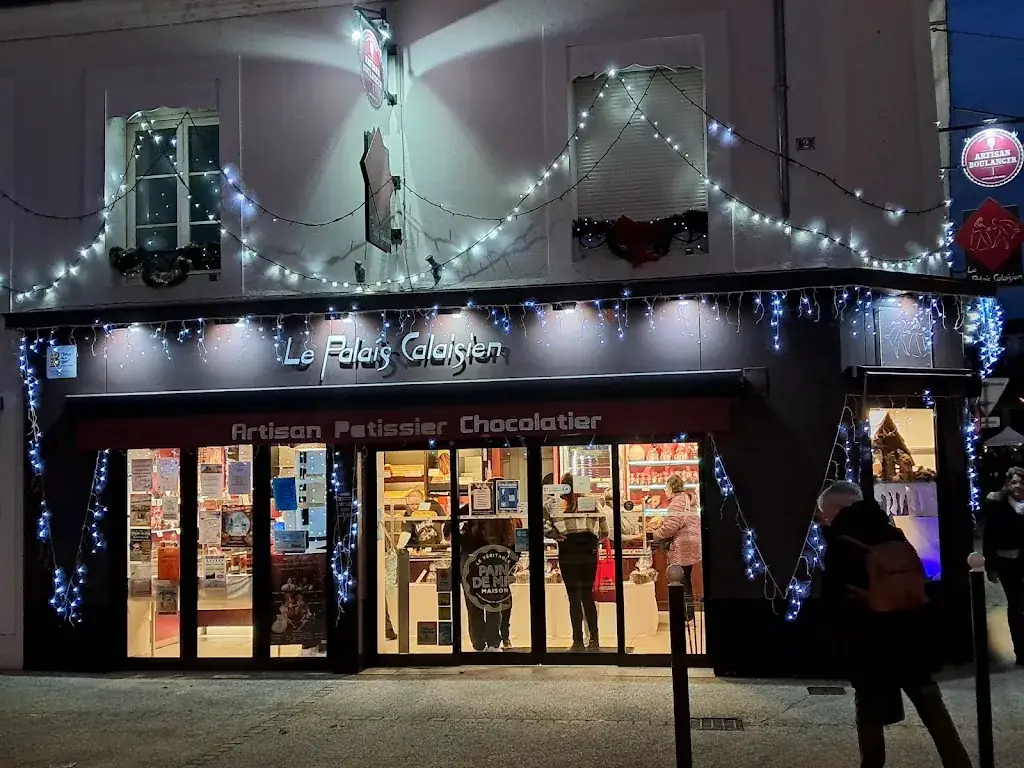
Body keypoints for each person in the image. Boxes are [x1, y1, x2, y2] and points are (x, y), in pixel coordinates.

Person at [818, 481, 972, 768]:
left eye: (825, 512)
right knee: (930, 704)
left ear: (838, 508)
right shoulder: (892, 532)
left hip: (870, 640)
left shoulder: (842, 544)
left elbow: (834, 597)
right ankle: (958, 762)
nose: (824, 518)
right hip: (912, 635)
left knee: (869, 709)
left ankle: (872, 765)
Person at [543, 472, 610, 651]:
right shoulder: (591, 502)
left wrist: (556, 535)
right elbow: (605, 530)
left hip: (568, 550)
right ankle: (594, 639)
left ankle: (577, 641)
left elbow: (543, 525)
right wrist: (593, 540)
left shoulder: (553, 504)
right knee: (587, 595)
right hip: (588, 550)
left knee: (573, 597)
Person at [455, 508, 516, 652]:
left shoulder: (469, 511)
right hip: (495, 560)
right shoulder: (503, 510)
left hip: (471, 561)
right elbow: (512, 541)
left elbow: (449, 530)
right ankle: (493, 643)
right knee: (494, 604)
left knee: (474, 605)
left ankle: (479, 643)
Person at [983, 466, 1024, 665]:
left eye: (1021, 482)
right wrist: (990, 565)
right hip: (1008, 562)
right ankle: (1021, 650)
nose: (1018, 487)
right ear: (1007, 485)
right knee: (1016, 605)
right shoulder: (997, 505)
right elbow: (989, 536)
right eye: (1014, 482)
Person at [653, 476, 701, 621]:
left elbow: (670, 527)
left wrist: (657, 534)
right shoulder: (688, 499)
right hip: (691, 544)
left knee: (680, 581)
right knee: (685, 579)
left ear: (671, 488)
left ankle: (686, 616)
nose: (665, 490)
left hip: (682, 546)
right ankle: (689, 615)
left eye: (666, 487)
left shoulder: (678, 502)